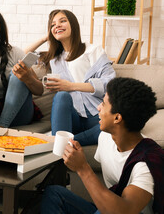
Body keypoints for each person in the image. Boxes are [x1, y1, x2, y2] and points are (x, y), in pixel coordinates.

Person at [41, 77, 163, 214]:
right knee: (54, 194)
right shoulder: (106, 136)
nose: (98, 108)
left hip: (124, 211)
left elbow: (125, 210)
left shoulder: (147, 163)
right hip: (108, 208)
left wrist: (83, 168)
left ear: (117, 118)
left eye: (103, 104)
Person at [27, 9, 116, 146]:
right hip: (71, 116)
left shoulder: (92, 50)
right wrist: (46, 38)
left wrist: (70, 86)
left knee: (115, 128)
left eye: (63, 21)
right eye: (53, 25)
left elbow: (109, 83)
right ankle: (62, 142)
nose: (57, 25)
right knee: (62, 96)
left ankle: (62, 143)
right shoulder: (53, 58)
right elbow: (22, 57)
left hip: (95, 114)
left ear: (73, 25)